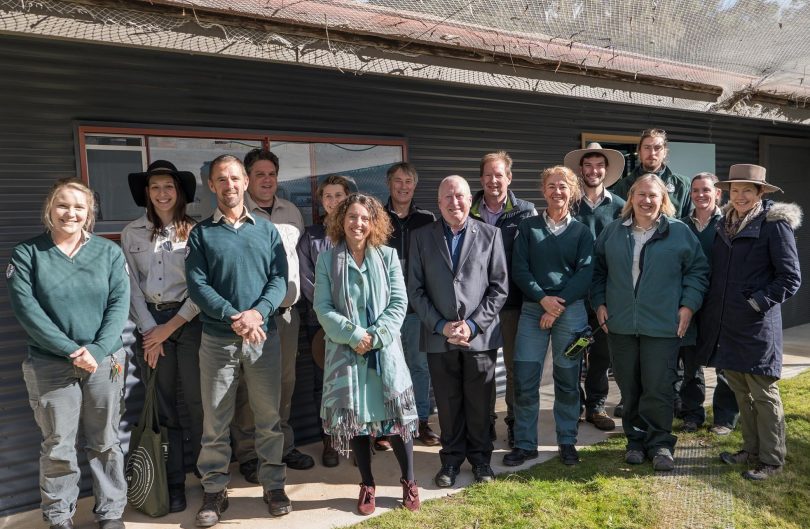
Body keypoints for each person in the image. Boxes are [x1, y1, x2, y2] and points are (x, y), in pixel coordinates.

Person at [8, 178, 130, 529]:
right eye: (63, 205)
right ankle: (59, 516)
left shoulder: (108, 252)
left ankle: (110, 513)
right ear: (49, 209)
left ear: (90, 213)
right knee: (58, 445)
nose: (70, 213)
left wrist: (95, 350)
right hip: (50, 365)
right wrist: (72, 350)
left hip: (104, 362)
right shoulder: (28, 253)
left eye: (79, 207)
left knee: (105, 441)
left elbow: (119, 306)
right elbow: (27, 311)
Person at [185, 155, 291, 526]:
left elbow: (279, 279)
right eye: (221, 180)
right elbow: (197, 285)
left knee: (268, 418)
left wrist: (257, 313)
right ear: (211, 186)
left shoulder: (265, 229)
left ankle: (273, 484)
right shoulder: (201, 234)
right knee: (215, 423)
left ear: (245, 182)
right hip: (218, 341)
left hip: (264, 337)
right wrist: (234, 316)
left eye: (235, 178)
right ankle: (214, 490)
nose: (229, 185)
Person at [592, 174, 709, 471]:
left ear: (663, 200)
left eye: (653, 196)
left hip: (663, 326)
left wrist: (687, 307)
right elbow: (597, 271)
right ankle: (634, 440)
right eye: (640, 194)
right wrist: (599, 303)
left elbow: (698, 272)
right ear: (631, 197)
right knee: (630, 387)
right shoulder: (613, 232)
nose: (646, 200)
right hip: (620, 325)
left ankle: (659, 443)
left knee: (658, 388)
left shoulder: (680, 232)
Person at [313, 193, 420, 515]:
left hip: (384, 352)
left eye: (364, 218)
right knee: (356, 422)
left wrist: (374, 337)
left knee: (397, 423)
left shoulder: (387, 256)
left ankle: (409, 481)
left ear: (373, 223)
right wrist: (355, 335)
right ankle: (368, 483)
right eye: (351, 217)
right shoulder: (327, 260)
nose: (357, 223)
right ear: (340, 221)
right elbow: (322, 306)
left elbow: (399, 304)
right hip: (346, 355)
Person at [697, 164, 802, 481]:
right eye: (735, 190)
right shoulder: (723, 224)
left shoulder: (774, 225)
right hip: (728, 325)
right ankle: (751, 449)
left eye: (747, 190)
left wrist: (756, 303)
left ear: (760, 193)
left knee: (764, 396)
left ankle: (772, 459)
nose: (740, 196)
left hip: (756, 327)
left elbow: (790, 278)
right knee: (741, 393)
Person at [408, 176, 508, 487]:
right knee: (448, 405)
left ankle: (480, 461)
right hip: (440, 337)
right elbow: (415, 289)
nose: (455, 202)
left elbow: (499, 288)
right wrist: (441, 325)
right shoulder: (422, 237)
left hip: (479, 337)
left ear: (470, 200)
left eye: (461, 196)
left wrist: (473, 324)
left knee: (480, 403)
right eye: (448, 197)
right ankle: (450, 461)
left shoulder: (490, 235)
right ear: (439, 203)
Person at [122, 160, 203, 513]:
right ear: (146, 193)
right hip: (150, 322)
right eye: (155, 187)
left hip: (189, 322)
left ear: (179, 191)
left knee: (202, 404)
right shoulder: (131, 233)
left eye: (168, 186)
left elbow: (202, 287)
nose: (162, 193)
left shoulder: (196, 232)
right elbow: (131, 288)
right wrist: (150, 332)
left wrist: (168, 329)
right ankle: (174, 483)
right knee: (165, 407)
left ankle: (211, 478)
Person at [231, 148, 313, 483]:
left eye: (272, 174)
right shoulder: (237, 214)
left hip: (287, 313)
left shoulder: (291, 211)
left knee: (285, 381)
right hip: (253, 317)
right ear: (248, 178)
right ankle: (250, 451)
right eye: (260, 174)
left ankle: (281, 445)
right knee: (252, 386)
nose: (267, 180)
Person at [504, 166, 594, 467]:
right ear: (543, 190)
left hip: (571, 312)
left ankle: (567, 441)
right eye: (552, 186)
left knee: (567, 379)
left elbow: (586, 272)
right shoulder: (529, 228)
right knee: (526, 379)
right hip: (533, 310)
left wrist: (558, 306)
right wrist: (543, 300)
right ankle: (526, 443)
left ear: (573, 192)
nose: (557, 191)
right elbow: (519, 269)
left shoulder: (581, 231)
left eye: (564, 186)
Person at [470, 151, 536, 446]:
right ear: (481, 178)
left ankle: (513, 422)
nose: (493, 181)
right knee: (480, 368)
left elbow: (533, 256)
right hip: (476, 304)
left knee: (512, 368)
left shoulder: (525, 211)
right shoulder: (467, 208)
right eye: (488, 175)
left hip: (512, 304)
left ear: (509, 178)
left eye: (499, 175)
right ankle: (484, 423)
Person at [565, 142, 626, 431]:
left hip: (607, 294)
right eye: (588, 165)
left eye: (599, 165)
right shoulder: (569, 203)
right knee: (572, 352)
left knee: (601, 354)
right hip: (575, 293)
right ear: (581, 170)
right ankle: (574, 406)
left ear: (606, 169)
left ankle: (596, 406)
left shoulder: (620, 207)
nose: (593, 170)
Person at [297, 174, 352, 467]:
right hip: (320, 323)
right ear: (321, 201)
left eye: (338, 195)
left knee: (358, 380)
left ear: (347, 197)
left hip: (357, 323)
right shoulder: (311, 236)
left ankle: (358, 440)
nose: (333, 201)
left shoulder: (359, 230)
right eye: (327, 196)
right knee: (325, 383)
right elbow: (306, 281)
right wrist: (331, 314)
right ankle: (330, 440)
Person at [677, 173, 738, 434]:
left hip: (720, 302)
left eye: (706, 190)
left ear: (718, 194)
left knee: (724, 363)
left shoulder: (729, 224)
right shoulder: (680, 225)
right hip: (690, 301)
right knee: (690, 362)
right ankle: (692, 413)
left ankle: (724, 418)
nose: (700, 195)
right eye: (695, 190)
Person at [384, 162, 440, 447]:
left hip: (418, 309)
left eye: (408, 181)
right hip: (384, 310)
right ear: (389, 184)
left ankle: (420, 421)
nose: (403, 186)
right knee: (387, 367)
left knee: (419, 367)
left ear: (414, 185)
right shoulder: (376, 217)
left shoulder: (427, 219)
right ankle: (388, 425)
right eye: (398, 181)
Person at [610, 128, 692, 218]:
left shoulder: (682, 185)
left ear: (665, 152)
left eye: (657, 148)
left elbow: (690, 222)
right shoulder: (623, 185)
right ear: (639, 152)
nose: (652, 153)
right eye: (647, 147)